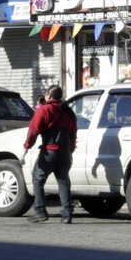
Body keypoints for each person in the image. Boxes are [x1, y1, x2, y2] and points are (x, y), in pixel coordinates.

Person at [23, 85, 77, 224]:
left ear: (48, 95)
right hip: (65, 152)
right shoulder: (69, 112)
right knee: (63, 182)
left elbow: (33, 130)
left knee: (38, 179)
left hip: (49, 152)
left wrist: (27, 145)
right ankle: (67, 214)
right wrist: (71, 148)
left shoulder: (44, 110)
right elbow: (73, 133)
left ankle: (41, 212)